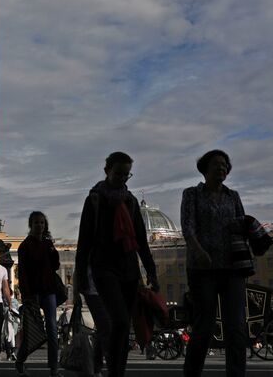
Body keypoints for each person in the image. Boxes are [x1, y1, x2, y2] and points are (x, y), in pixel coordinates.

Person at [74, 152, 159, 377]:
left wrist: (151, 271)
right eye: (118, 173)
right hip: (104, 268)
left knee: (123, 325)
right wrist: (81, 274)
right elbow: (84, 241)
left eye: (126, 174)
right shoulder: (94, 199)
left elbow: (141, 239)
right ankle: (114, 371)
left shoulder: (129, 201)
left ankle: (117, 370)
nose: (122, 178)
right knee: (120, 321)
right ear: (107, 171)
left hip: (129, 270)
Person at [181, 150, 248, 377]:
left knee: (236, 327)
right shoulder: (192, 194)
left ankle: (237, 374)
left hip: (233, 269)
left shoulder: (233, 196)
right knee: (203, 328)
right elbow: (188, 227)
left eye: (225, 165)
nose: (222, 168)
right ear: (204, 169)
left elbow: (242, 225)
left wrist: (252, 231)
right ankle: (192, 373)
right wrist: (198, 250)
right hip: (202, 269)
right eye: (217, 164)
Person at [16, 211, 61, 376]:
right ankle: (20, 360)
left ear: (45, 225)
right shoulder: (25, 246)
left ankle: (54, 369)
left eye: (42, 223)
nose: (39, 225)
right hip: (33, 293)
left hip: (49, 291)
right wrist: (26, 295)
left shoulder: (48, 244)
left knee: (52, 329)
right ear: (31, 225)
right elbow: (22, 273)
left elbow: (55, 266)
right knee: (32, 331)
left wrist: (53, 251)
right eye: (36, 223)